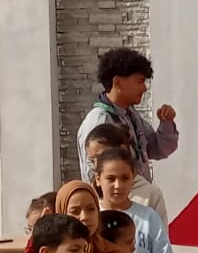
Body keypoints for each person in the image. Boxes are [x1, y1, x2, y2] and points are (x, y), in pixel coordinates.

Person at [76, 47, 178, 184]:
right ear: (117, 82)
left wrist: (167, 123)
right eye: (139, 81)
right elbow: (95, 180)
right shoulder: (99, 123)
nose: (144, 88)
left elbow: (157, 149)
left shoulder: (130, 115)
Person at [84, 122, 167, 218]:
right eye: (92, 160)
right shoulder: (89, 194)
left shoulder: (151, 195)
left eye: (102, 156)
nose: (96, 164)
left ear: (123, 149)